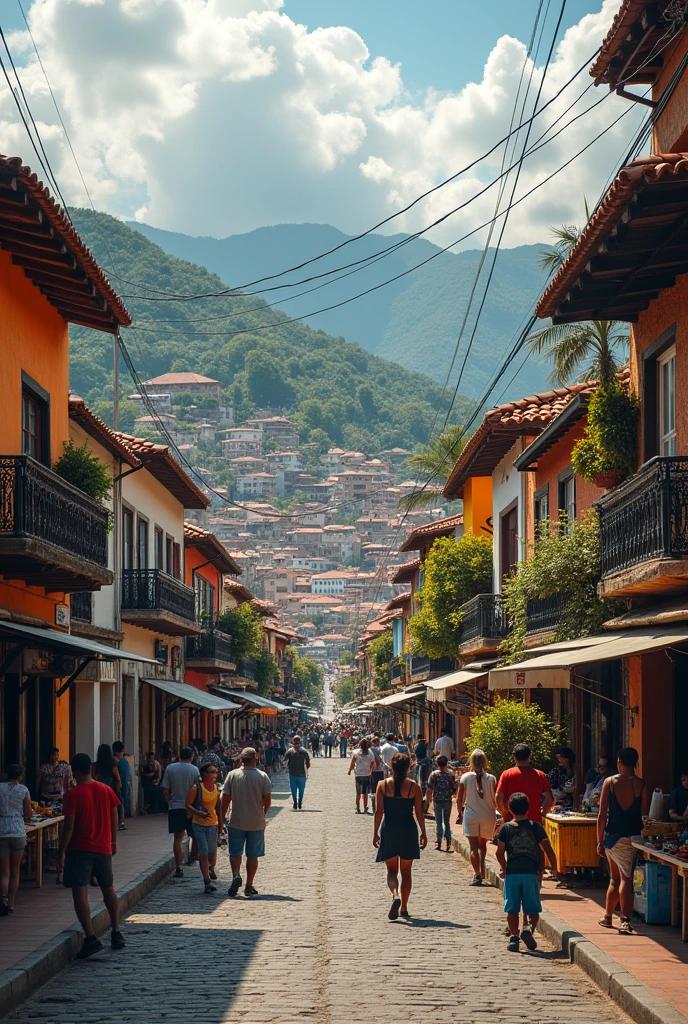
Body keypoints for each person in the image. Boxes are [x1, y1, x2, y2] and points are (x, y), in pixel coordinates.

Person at [58, 753, 124, 959]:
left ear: (75, 772)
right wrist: (113, 840)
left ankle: (91, 937)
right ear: (91, 769)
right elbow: (115, 814)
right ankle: (116, 931)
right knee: (108, 888)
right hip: (103, 847)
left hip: (80, 848)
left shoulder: (73, 794)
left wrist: (61, 851)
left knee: (80, 892)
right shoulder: (106, 790)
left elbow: (69, 826)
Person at [496, 791, 559, 953]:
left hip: (513, 874)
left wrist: (504, 867)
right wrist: (553, 867)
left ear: (510, 809)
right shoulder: (535, 827)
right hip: (531, 873)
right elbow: (547, 849)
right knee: (533, 910)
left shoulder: (506, 828)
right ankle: (529, 929)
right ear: (529, 809)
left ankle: (514, 938)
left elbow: (499, 852)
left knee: (512, 909)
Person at [597, 747, 650, 934]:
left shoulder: (609, 782)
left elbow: (602, 815)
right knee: (626, 878)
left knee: (616, 878)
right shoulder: (641, 785)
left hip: (612, 837)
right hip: (633, 837)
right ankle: (622, 919)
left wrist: (599, 840)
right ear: (636, 763)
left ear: (619, 761)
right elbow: (644, 816)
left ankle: (611, 917)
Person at [373, 753, 427, 919]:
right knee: (406, 872)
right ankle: (403, 907)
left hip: (389, 829)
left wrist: (375, 832)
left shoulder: (382, 785)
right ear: (408, 767)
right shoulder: (414, 787)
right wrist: (424, 832)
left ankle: (394, 894)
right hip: (408, 830)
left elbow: (379, 811)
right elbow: (419, 812)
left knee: (391, 871)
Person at [221, 747, 272, 899]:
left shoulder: (232, 775)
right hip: (256, 822)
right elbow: (267, 800)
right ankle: (249, 885)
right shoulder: (263, 776)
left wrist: (222, 818)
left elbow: (225, 800)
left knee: (235, 852)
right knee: (253, 855)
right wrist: (263, 814)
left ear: (241, 760)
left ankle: (236, 875)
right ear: (255, 759)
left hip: (236, 820)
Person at [457, 749, 497, 883]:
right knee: (483, 845)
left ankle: (477, 873)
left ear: (471, 761)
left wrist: (460, 812)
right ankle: (482, 865)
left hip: (471, 815)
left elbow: (459, 798)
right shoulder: (491, 778)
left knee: (473, 847)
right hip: (488, 816)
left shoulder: (465, 777)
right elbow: (496, 798)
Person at [162, 746, 200, 876]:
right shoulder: (195, 770)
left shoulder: (170, 768)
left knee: (177, 838)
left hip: (175, 806)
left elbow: (165, 789)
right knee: (195, 835)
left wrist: (169, 803)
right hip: (191, 808)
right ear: (192, 756)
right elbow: (198, 791)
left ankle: (178, 867)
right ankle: (192, 857)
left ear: (179, 756)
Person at [185, 763, 222, 895]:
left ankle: (211, 868)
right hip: (199, 824)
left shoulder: (216, 788)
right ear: (205, 774)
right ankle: (206, 881)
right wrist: (199, 813)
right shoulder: (197, 788)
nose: (215, 774)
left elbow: (219, 808)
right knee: (204, 851)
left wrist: (221, 825)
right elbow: (187, 804)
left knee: (212, 853)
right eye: (213, 771)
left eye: (216, 771)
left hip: (213, 824)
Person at [0, 764, 31, 915]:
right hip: (18, 830)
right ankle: (11, 903)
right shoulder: (23, 790)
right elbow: (28, 814)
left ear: (6, 774)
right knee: (15, 871)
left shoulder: (0, 788)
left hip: (2, 830)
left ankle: (3, 899)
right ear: (21, 776)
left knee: (4, 871)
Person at [496, 744, 553, 825]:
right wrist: (544, 813)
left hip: (512, 822)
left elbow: (498, 796)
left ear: (514, 758)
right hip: (534, 822)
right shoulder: (540, 775)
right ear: (529, 757)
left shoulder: (506, 774)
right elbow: (549, 798)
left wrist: (504, 813)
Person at [426, 755, 458, 852]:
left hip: (437, 800)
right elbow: (455, 787)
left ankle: (439, 839)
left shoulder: (434, 774)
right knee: (447, 822)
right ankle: (448, 840)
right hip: (447, 800)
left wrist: (428, 800)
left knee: (438, 821)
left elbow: (429, 788)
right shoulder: (450, 775)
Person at [349, 738, 377, 814]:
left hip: (358, 774)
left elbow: (352, 763)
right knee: (365, 793)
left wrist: (349, 770)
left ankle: (358, 807)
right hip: (367, 774)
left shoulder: (356, 752)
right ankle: (365, 807)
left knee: (358, 792)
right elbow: (373, 764)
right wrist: (371, 771)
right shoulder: (370, 753)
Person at [285, 735, 310, 810]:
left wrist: (288, 767)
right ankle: (299, 802)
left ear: (293, 741)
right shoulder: (304, 751)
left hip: (292, 773)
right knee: (301, 790)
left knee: (293, 789)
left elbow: (285, 761)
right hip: (302, 774)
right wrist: (306, 769)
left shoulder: (289, 751)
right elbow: (308, 762)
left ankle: (295, 802)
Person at [112, 743, 130, 828]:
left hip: (118, 785)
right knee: (121, 803)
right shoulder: (123, 762)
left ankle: (120, 820)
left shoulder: (117, 762)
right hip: (122, 785)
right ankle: (121, 820)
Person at [370, 735, 385, 811]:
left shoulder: (370, 750)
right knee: (379, 788)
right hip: (378, 770)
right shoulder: (377, 749)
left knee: (373, 788)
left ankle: (374, 805)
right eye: (378, 742)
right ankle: (378, 804)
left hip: (372, 771)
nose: (379, 743)